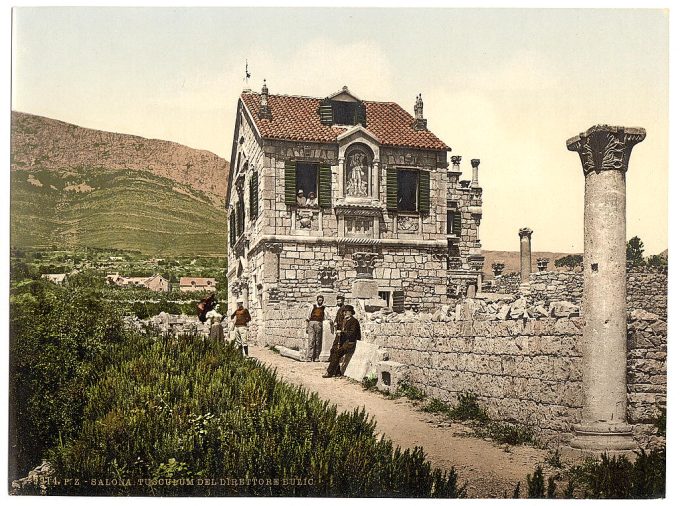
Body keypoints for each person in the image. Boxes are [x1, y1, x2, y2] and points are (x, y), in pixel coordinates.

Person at [324, 304, 361, 378]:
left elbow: (352, 334)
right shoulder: (345, 320)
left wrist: (342, 332)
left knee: (337, 353)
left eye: (346, 312)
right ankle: (337, 372)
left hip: (351, 342)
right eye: (344, 312)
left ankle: (329, 372)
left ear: (350, 312)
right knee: (334, 351)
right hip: (344, 341)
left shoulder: (354, 321)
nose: (344, 313)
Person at [305, 295, 329, 362]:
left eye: (321, 300)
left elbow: (327, 317)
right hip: (311, 324)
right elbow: (307, 317)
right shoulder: (312, 307)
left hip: (319, 324)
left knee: (318, 341)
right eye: (319, 300)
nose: (320, 301)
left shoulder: (324, 308)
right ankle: (309, 357)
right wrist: (307, 327)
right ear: (317, 300)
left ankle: (316, 357)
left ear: (323, 301)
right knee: (311, 340)